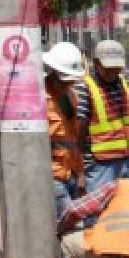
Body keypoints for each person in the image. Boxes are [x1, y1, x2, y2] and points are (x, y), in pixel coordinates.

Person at [75, 40, 129, 207]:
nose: (113, 72)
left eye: (117, 68)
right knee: (98, 212)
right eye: (109, 68)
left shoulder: (125, 84)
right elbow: (79, 129)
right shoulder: (85, 86)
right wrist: (80, 169)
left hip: (127, 159)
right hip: (99, 164)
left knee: (124, 209)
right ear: (96, 63)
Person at [41, 42, 85, 221]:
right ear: (53, 73)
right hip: (52, 176)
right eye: (64, 80)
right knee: (69, 224)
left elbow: (75, 138)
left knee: (65, 227)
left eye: (71, 80)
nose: (68, 84)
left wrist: (80, 173)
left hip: (71, 174)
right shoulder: (39, 99)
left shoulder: (71, 96)